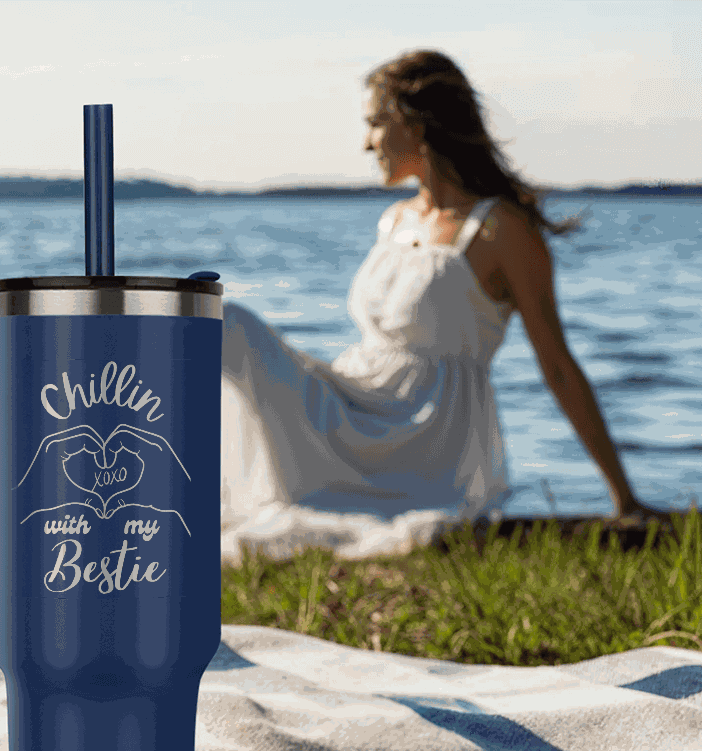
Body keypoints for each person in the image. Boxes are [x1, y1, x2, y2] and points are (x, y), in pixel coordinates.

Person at [219, 49, 668, 565]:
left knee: (227, 324)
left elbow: (557, 364)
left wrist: (624, 498)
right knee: (219, 323)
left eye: (375, 124)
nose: (366, 143)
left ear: (417, 124)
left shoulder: (500, 228)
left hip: (424, 441)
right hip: (351, 406)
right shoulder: (395, 221)